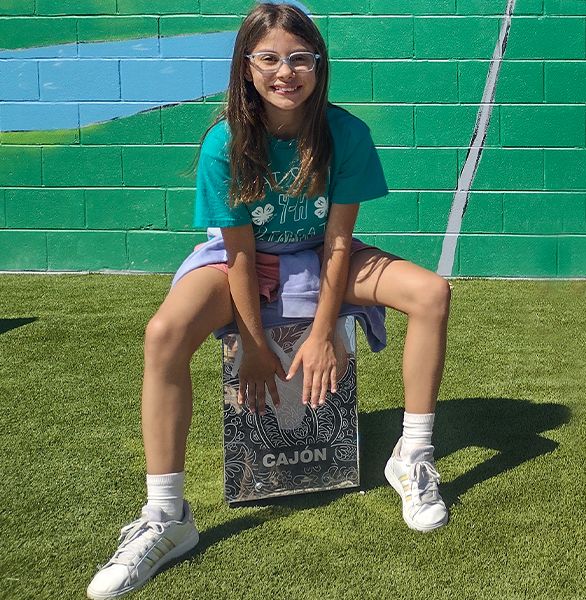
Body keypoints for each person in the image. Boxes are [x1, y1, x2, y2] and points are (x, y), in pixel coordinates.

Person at [87, 3, 451, 599]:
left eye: (300, 58)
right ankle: (166, 517)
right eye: (270, 58)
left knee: (431, 292)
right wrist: (254, 346)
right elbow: (237, 256)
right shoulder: (225, 142)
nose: (287, 72)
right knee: (164, 335)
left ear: (318, 65)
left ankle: (412, 456)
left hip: (319, 252)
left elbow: (337, 243)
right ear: (246, 66)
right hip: (243, 259)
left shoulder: (345, 133)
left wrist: (321, 332)